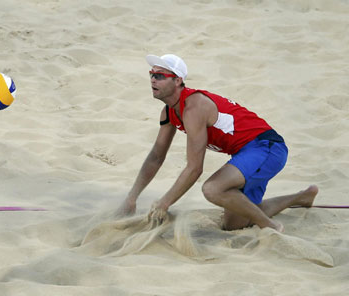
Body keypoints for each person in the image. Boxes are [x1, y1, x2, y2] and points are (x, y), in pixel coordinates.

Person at [116, 54, 318, 232]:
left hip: (266, 148)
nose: (152, 79)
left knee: (212, 189)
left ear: (177, 81)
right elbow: (156, 156)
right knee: (234, 224)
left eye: (160, 76)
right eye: (151, 74)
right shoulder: (169, 112)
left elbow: (194, 169)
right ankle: (301, 197)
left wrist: (164, 203)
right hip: (246, 154)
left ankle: (272, 227)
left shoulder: (194, 107)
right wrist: (131, 198)